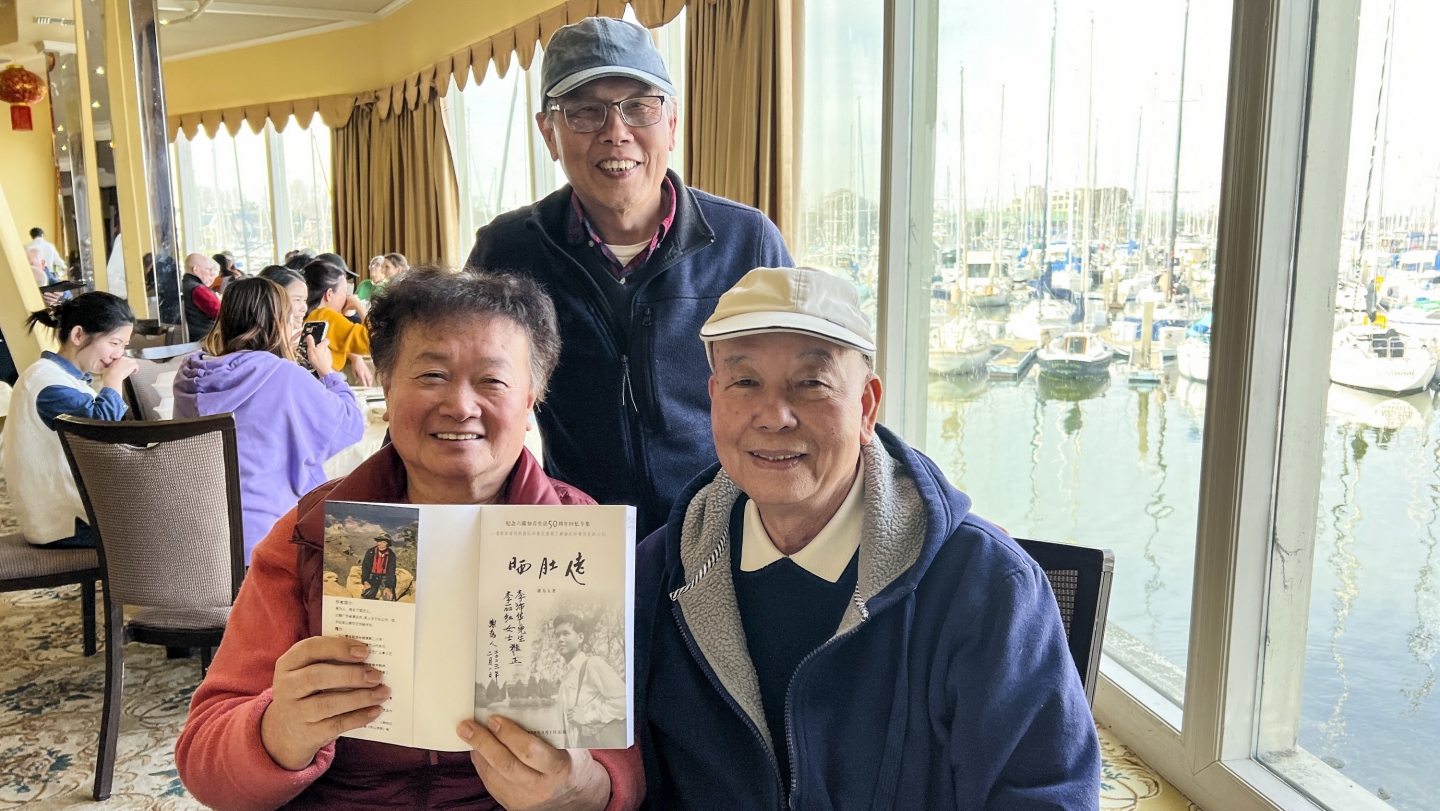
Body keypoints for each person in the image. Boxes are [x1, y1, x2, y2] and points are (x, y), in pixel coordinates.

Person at [635, 268, 1102, 810]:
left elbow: (1045, 796)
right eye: (745, 383)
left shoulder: (989, 588)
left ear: (866, 405)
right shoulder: (659, 573)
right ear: (714, 398)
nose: (775, 416)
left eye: (811, 383)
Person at [177, 267, 642, 810]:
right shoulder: (312, 533)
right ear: (386, 385)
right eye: (432, 375)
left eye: (492, 381)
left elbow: (625, 759)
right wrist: (278, 731)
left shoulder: (582, 535)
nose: (460, 406)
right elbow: (205, 759)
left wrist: (578, 788)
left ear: (532, 397)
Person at [467, 18, 794, 538]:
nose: (616, 132)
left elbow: (800, 393)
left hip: (727, 530)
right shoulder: (508, 251)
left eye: (639, 107)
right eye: (584, 111)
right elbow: (465, 393)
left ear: (672, 123)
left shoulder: (747, 242)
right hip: (577, 534)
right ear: (549, 133)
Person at [173, 277, 364, 565]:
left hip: (194, 539)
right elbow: (350, 424)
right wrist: (327, 371)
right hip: (268, 540)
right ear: (279, 323)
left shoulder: (189, 375)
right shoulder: (285, 377)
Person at [1, 292, 137, 548]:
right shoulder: (47, 384)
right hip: (64, 525)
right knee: (168, 523)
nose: (118, 354)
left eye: (123, 346)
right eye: (114, 343)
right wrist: (113, 380)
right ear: (78, 335)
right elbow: (101, 430)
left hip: (67, 515)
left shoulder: (57, 377)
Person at [552, 614, 625, 749]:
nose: (560, 639)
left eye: (566, 634)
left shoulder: (593, 664)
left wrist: (587, 717)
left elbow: (624, 700)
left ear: (580, 638)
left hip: (597, 747)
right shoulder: (567, 676)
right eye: (557, 635)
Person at [303, 259, 375, 386]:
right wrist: (360, 307)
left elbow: (340, 342)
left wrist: (354, 356)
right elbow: (372, 341)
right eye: (344, 292)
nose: (347, 297)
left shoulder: (311, 314)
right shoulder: (325, 315)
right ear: (329, 294)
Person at [183, 253, 222, 342]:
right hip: (207, 340)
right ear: (196, 269)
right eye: (208, 269)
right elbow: (221, 313)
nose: (211, 273)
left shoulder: (183, 286)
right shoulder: (198, 290)